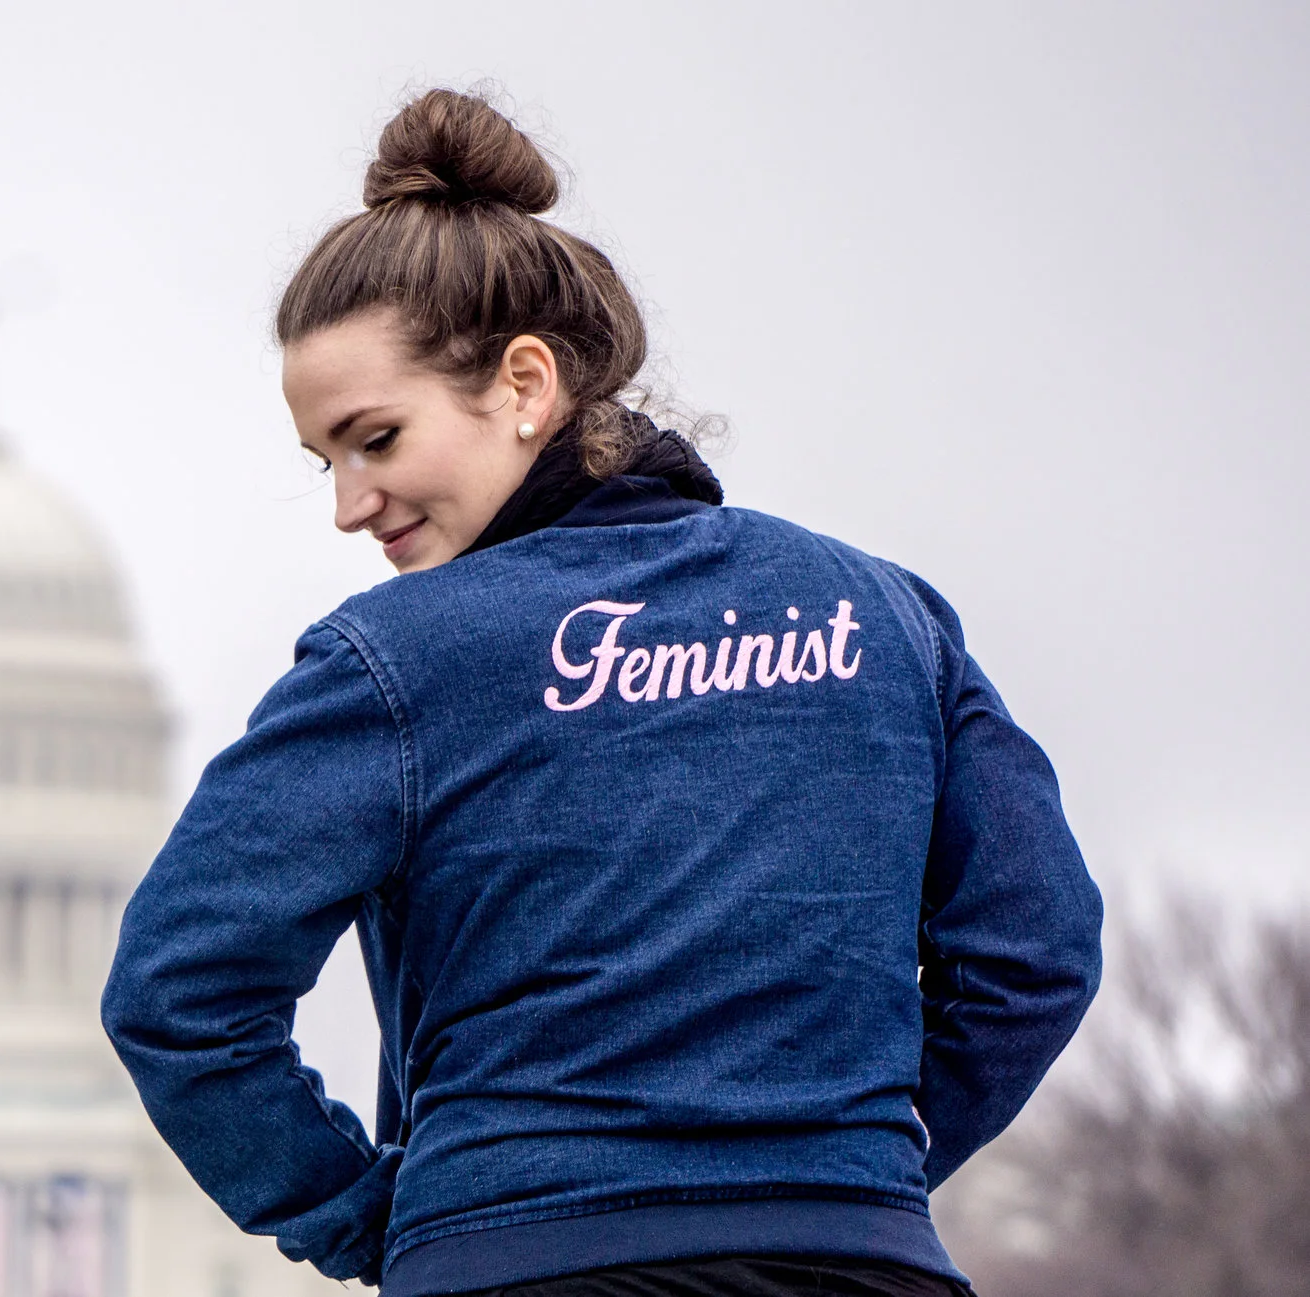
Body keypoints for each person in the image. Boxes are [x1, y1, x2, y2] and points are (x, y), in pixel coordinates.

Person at [98, 88, 1104, 1297]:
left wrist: (373, 1216)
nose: (348, 503)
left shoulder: (393, 661)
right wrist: (847, 1167)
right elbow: (1035, 950)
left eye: (375, 439)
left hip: (524, 1260)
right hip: (855, 1264)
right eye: (326, 460)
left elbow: (175, 990)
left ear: (523, 383)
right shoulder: (884, 616)